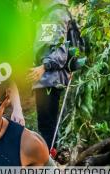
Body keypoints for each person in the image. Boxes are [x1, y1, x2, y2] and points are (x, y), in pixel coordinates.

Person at [29, 0, 73, 155]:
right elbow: (46, 46)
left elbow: (61, 52)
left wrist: (44, 67)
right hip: (45, 78)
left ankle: (47, 163)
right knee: (46, 125)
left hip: (50, 78)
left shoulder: (57, 14)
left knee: (48, 126)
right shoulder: (49, 14)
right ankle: (51, 158)